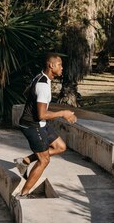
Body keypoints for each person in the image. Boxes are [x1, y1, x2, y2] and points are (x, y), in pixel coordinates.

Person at [14, 54, 77, 198]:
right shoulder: (43, 85)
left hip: (39, 124)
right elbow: (42, 114)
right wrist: (63, 113)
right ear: (51, 66)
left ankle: (25, 161)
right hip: (33, 125)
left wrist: (33, 100)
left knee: (60, 147)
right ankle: (23, 194)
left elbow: (26, 92)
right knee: (44, 160)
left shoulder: (40, 77)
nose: (62, 68)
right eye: (60, 64)